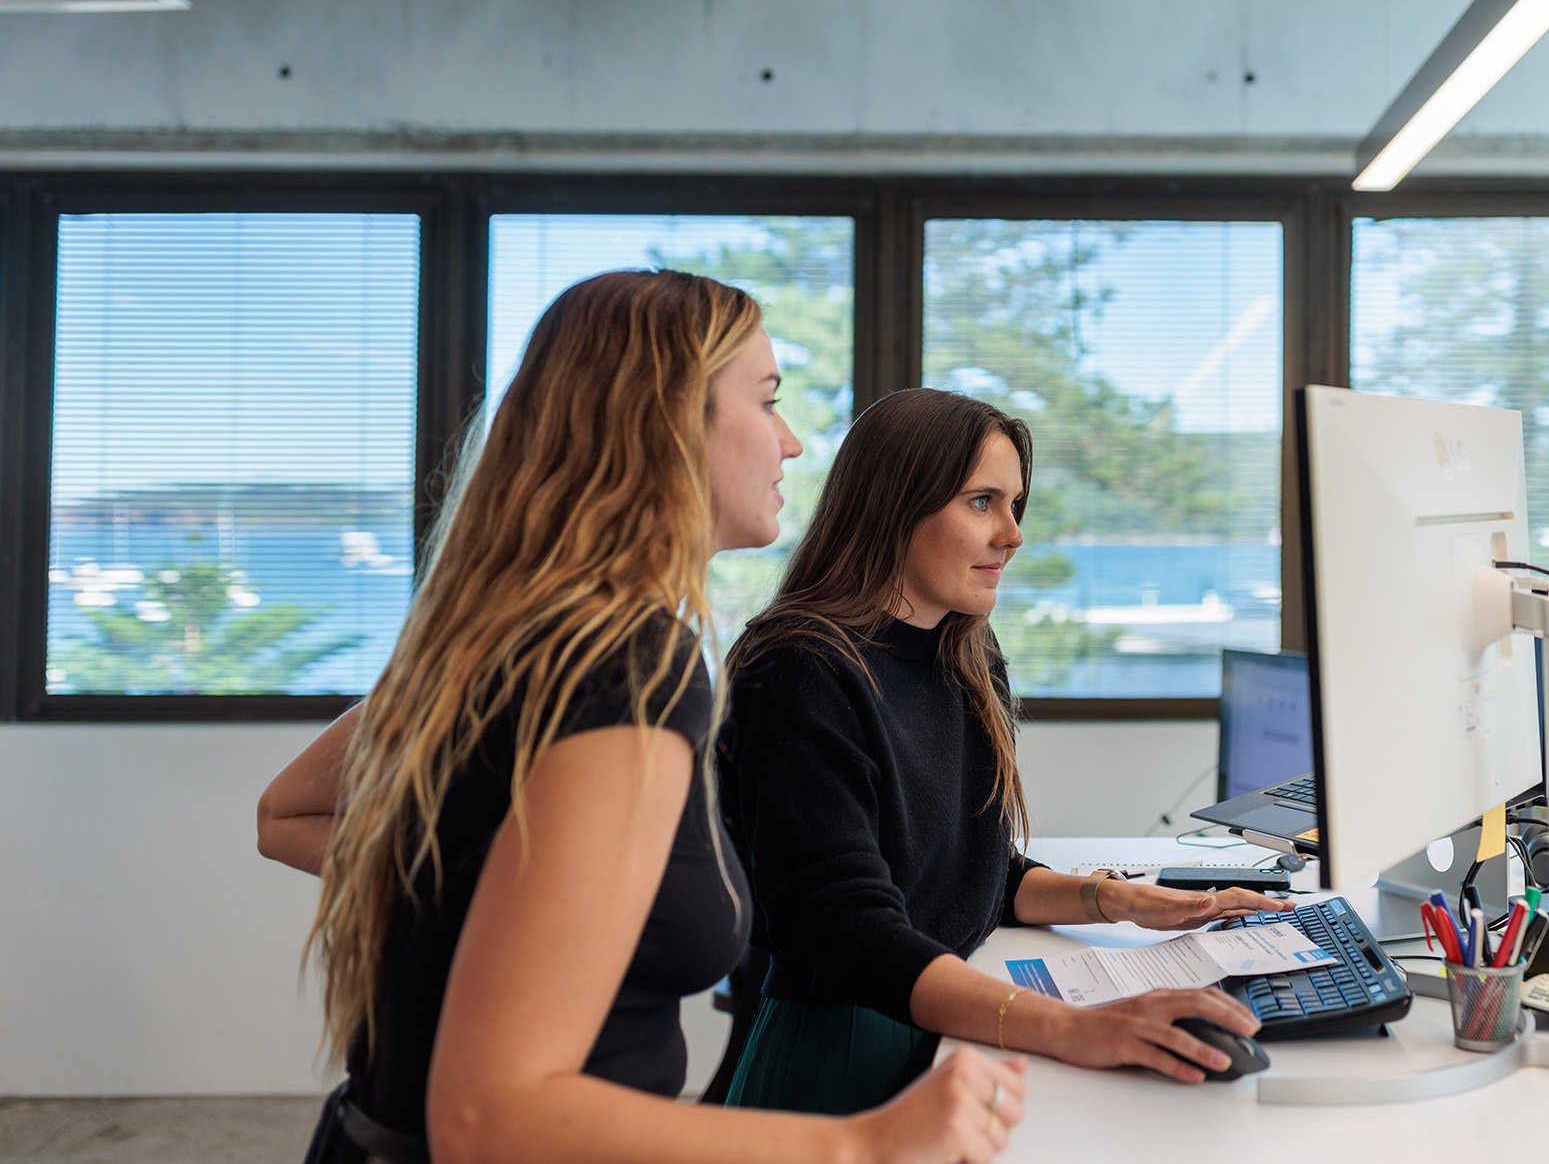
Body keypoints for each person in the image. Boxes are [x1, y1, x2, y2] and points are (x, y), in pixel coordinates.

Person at [257, 272, 1026, 1164]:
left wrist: (499, 907)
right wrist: (866, 1141)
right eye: (767, 402)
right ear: (668, 420)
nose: (791, 441)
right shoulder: (629, 668)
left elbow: (289, 813)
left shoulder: (512, 631)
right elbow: (489, 1117)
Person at [719, 387, 1294, 1116]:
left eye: (1016, 503)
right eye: (983, 501)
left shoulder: (964, 650)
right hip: (846, 1046)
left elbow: (967, 874)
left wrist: (1115, 898)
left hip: (951, 1015)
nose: (1014, 533)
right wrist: (1072, 1026)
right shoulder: (800, 671)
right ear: (895, 506)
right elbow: (847, 929)